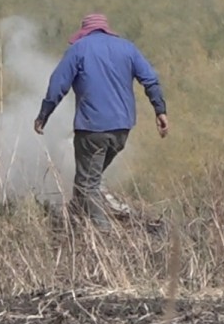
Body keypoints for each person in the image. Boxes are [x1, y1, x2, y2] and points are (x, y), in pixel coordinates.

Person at [34, 13, 169, 230]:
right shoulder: (127, 48)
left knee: (87, 185)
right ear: (106, 29)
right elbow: (150, 79)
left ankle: (104, 234)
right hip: (122, 130)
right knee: (87, 182)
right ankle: (70, 229)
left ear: (84, 32)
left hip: (92, 129)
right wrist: (160, 110)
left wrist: (43, 115)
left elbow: (58, 84)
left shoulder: (79, 49)